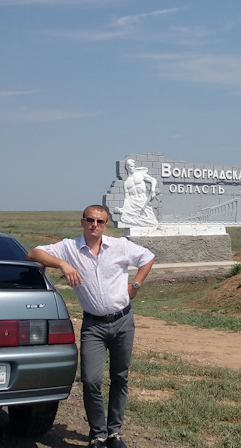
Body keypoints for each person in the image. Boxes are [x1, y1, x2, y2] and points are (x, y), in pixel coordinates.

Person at [27, 205, 154, 448]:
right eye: (90, 220)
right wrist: (63, 265)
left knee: (120, 376)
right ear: (82, 222)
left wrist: (135, 286)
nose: (94, 224)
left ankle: (114, 434)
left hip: (123, 321)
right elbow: (33, 254)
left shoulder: (120, 246)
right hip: (93, 325)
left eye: (100, 221)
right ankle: (97, 434)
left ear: (106, 225)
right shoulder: (69, 248)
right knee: (91, 380)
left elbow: (147, 258)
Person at [115, 158, 158, 227]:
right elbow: (127, 197)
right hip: (133, 202)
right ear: (127, 167)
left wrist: (153, 190)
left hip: (143, 200)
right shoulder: (126, 183)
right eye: (131, 166)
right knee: (126, 218)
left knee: (152, 221)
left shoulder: (140, 174)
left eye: (134, 166)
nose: (133, 168)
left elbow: (153, 180)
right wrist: (124, 207)